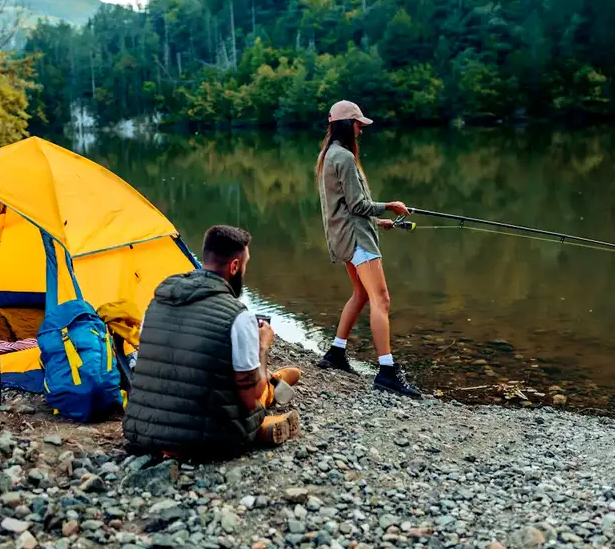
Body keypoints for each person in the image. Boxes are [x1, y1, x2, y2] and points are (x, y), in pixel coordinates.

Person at [122, 225, 302, 460]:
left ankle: (274, 385)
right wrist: (262, 347)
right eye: (245, 264)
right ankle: (268, 408)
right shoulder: (238, 316)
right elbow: (250, 400)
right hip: (207, 441)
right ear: (234, 266)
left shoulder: (155, 303)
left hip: (142, 430)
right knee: (254, 395)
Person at [315, 99, 422, 398]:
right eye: (359, 124)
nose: (361, 129)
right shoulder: (345, 158)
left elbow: (342, 207)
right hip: (357, 239)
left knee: (362, 294)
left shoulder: (330, 155)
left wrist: (380, 222)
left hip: (345, 237)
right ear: (347, 125)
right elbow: (358, 204)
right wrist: (390, 206)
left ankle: (336, 353)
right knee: (382, 299)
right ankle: (387, 371)